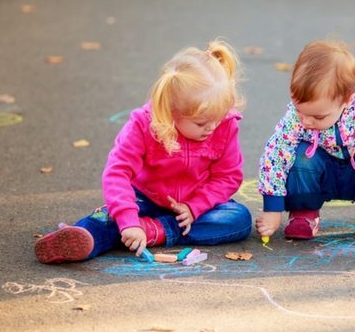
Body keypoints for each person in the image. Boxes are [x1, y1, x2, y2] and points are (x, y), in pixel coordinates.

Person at [35, 40, 252, 263]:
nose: (212, 127)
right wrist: (128, 220)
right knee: (111, 216)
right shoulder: (143, 124)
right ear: (172, 112)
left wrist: (194, 206)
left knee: (238, 219)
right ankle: (84, 238)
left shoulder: (224, 124)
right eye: (201, 123)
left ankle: (150, 230)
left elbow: (228, 176)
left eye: (218, 119)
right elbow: (118, 172)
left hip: (193, 207)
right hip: (145, 198)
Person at [256, 40, 355, 242]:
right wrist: (273, 208)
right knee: (298, 155)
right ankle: (304, 213)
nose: (306, 121)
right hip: (323, 171)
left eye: (318, 117)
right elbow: (275, 154)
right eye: (299, 111)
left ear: (347, 100)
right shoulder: (299, 116)